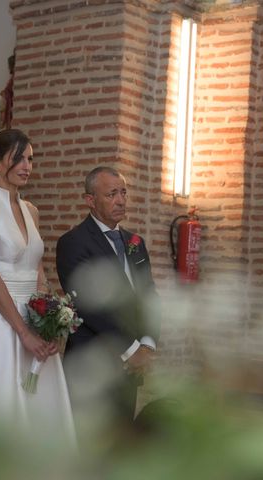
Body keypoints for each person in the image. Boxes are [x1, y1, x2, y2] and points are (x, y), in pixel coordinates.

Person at [0, 129, 76, 445]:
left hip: (35, 318)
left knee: (40, 408)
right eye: (19, 159)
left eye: (30, 159)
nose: (27, 166)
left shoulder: (32, 211)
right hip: (0, 320)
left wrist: (52, 320)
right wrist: (23, 332)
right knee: (2, 409)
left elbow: (37, 270)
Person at [56, 166, 160, 442]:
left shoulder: (135, 242)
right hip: (93, 363)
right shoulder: (73, 242)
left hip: (131, 366)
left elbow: (148, 294)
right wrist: (131, 350)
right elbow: (88, 306)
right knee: (91, 446)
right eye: (112, 194)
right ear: (90, 200)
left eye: (123, 192)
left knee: (121, 445)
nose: (121, 200)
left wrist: (148, 344)